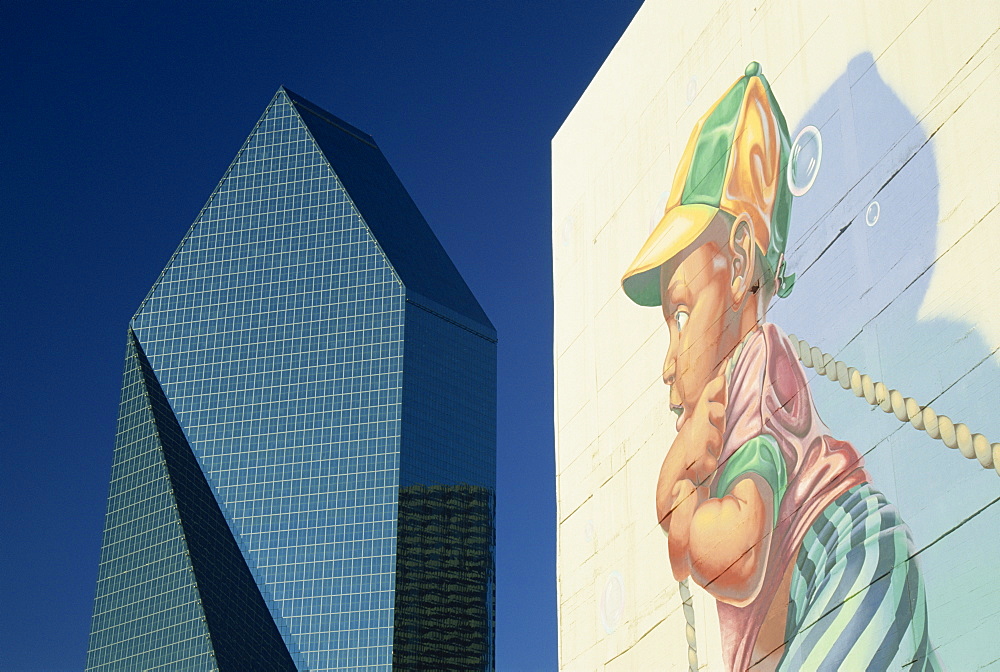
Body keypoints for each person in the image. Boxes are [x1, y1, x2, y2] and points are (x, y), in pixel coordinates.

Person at [621, 62, 939, 672]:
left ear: (741, 262)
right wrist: (677, 485)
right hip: (822, 606)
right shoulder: (723, 404)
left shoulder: (749, 367)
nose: (666, 362)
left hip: (850, 561)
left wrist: (681, 511)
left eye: (681, 313)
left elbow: (738, 555)